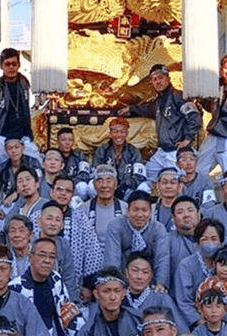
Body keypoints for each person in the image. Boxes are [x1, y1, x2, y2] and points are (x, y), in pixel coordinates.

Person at [9, 237, 84, 336]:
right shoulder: (16, 288)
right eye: (42, 255)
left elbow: (70, 315)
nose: (47, 261)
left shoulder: (56, 280)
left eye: (52, 257)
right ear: (31, 258)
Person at [120, 64, 201, 184]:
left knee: (174, 184)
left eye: (160, 77)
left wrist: (188, 139)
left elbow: (194, 117)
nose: (158, 81)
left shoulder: (179, 97)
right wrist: (130, 109)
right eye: (154, 79)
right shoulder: (158, 101)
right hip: (162, 152)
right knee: (145, 176)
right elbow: (147, 109)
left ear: (168, 78)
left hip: (176, 153)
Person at [70, 164, 127, 303]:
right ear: (94, 186)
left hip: (118, 271)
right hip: (90, 273)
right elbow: (77, 249)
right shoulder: (82, 210)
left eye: (109, 181)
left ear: (115, 185)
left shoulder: (125, 209)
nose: (104, 185)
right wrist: (86, 283)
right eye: (100, 181)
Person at [0, 47, 42, 180]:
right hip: (1, 137)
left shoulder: (24, 82)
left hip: (23, 137)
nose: (11, 67)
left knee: (37, 165)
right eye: (7, 64)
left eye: (14, 64)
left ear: (19, 65)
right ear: (1, 66)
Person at [73, 267, 144, 336]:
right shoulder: (88, 332)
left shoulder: (140, 320)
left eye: (117, 291)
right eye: (106, 291)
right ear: (96, 294)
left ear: (124, 293)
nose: (112, 297)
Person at [104, 191, 173, 289]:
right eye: (135, 210)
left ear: (150, 212)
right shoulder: (116, 225)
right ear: (127, 211)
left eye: (144, 210)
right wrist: (114, 284)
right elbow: (112, 258)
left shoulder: (158, 229)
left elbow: (162, 259)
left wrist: (160, 284)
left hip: (149, 279)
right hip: (122, 277)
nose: (140, 215)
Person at [173, 219, 227, 329]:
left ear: (221, 243)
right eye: (204, 239)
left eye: (214, 239)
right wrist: (200, 322)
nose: (209, 243)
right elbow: (184, 302)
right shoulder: (186, 266)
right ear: (197, 243)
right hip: (197, 325)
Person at [91, 118, 146, 199]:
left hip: (126, 188)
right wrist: (107, 183)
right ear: (110, 133)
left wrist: (126, 185)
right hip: (105, 186)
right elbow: (95, 171)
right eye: (115, 132)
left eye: (122, 132)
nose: (119, 135)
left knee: (144, 186)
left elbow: (139, 175)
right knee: (90, 185)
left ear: (127, 133)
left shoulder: (134, 152)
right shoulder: (102, 150)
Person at [0, 140, 43, 214]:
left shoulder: (33, 163)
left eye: (16, 147)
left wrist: (17, 193)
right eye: (10, 148)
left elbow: (39, 183)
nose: (14, 151)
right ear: (6, 151)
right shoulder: (1, 169)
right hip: (9, 206)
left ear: (23, 148)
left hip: (32, 201)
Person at [166, 195, 203, 284]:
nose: (186, 215)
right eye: (180, 212)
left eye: (190, 210)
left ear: (199, 214)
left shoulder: (213, 237)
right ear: (173, 219)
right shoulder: (166, 241)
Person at [54, 127, 94, 201]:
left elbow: (84, 174)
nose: (67, 143)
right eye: (63, 140)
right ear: (58, 142)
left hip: (76, 186)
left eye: (70, 140)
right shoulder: (53, 156)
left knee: (83, 187)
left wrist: (71, 183)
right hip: (59, 186)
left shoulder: (79, 155)